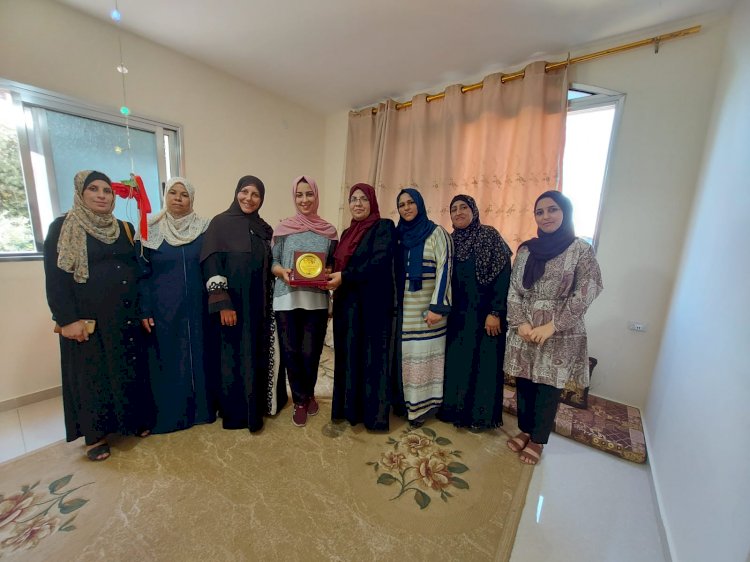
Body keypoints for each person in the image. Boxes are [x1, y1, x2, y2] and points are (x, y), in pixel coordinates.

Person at [43, 170, 155, 461]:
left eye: (107, 190)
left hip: (124, 314)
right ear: (80, 193)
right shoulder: (63, 227)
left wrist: (143, 309)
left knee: (127, 368)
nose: (101, 195)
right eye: (93, 189)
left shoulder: (124, 228)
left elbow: (137, 270)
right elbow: (56, 277)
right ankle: (95, 436)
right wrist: (67, 319)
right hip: (88, 320)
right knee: (92, 376)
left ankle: (131, 421)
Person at [505, 190, 603, 464]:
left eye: (552, 209)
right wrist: (520, 322)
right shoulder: (526, 250)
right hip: (525, 330)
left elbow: (588, 290)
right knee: (525, 383)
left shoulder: (580, 250)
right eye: (540, 212)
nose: (546, 216)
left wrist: (553, 326)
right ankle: (526, 430)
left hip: (559, 333)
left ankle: (538, 439)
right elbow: (514, 289)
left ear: (565, 213)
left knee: (548, 388)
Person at [200, 175, 284, 432]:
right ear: (236, 192)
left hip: (260, 304)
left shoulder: (264, 228)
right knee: (234, 355)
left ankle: (258, 406)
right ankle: (237, 413)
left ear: (262, 199)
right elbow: (211, 263)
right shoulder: (220, 223)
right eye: (245, 192)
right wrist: (223, 303)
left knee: (257, 352)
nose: (249, 198)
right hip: (233, 306)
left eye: (255, 194)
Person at [137, 177, 214, 434]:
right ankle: (173, 416)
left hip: (199, 306)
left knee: (200, 357)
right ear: (165, 196)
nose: (178, 198)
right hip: (164, 309)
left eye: (184, 194)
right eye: (173, 193)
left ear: (192, 199)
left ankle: (202, 412)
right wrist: (145, 308)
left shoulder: (204, 228)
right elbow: (141, 273)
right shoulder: (149, 229)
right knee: (170, 359)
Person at [327, 183, 396, 430]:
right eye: (353, 199)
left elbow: (379, 263)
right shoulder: (347, 232)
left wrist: (344, 276)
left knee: (370, 358)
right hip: (346, 304)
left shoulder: (384, 227)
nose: (357, 203)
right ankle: (348, 410)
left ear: (372, 202)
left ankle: (372, 417)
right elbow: (338, 264)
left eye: (363, 199)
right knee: (348, 355)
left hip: (372, 305)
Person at [440, 194, 512, 430]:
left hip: (485, 315)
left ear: (474, 210)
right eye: (453, 209)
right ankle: (455, 412)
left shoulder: (489, 236)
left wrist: (496, 311)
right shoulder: (450, 241)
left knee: (483, 364)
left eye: (464, 207)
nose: (458, 212)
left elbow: (503, 275)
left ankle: (480, 417)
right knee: (458, 362)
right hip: (458, 316)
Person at [272, 175, 338, 427]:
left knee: (312, 352)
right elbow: (274, 262)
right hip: (286, 299)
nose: (304, 199)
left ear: (316, 196)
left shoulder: (329, 231)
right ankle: (300, 401)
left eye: (309, 194)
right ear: (294, 197)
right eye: (299, 195)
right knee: (292, 352)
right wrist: (282, 272)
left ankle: (308, 393)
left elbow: (331, 265)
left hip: (317, 300)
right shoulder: (283, 229)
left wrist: (327, 274)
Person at [393, 188, 453, 426]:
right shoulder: (398, 235)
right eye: (401, 205)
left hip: (428, 314)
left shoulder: (437, 233)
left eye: (410, 202)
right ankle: (404, 404)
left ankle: (421, 409)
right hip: (402, 312)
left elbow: (445, 270)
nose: (406, 208)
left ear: (420, 203)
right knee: (404, 361)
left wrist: (437, 307)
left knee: (424, 360)